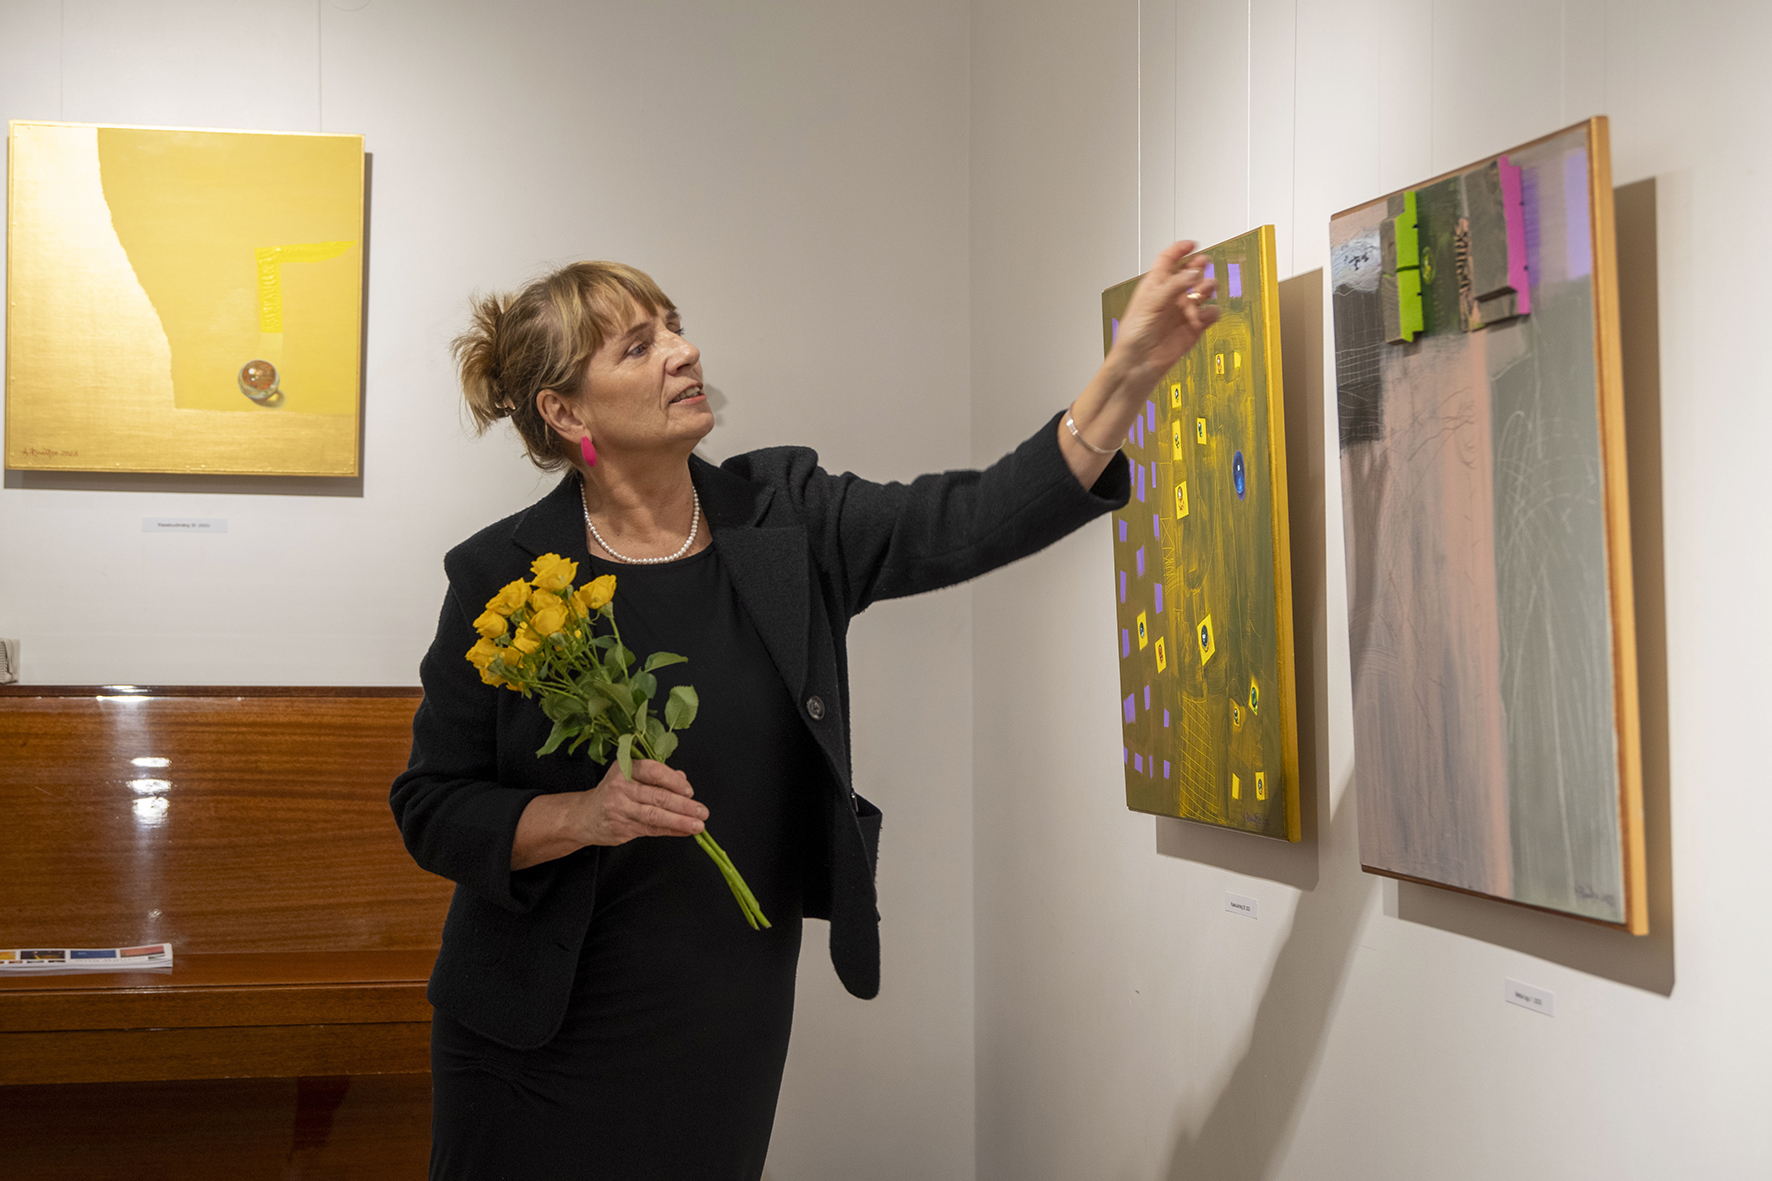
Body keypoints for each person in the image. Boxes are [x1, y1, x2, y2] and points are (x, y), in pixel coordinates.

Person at [390, 242, 1219, 1179]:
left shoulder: (788, 518)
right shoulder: (501, 576)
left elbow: (969, 516)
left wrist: (1128, 372)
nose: (683, 352)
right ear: (565, 411)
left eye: (674, 326)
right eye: (638, 346)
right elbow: (431, 805)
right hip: (532, 1041)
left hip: (723, 1025)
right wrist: (583, 815)